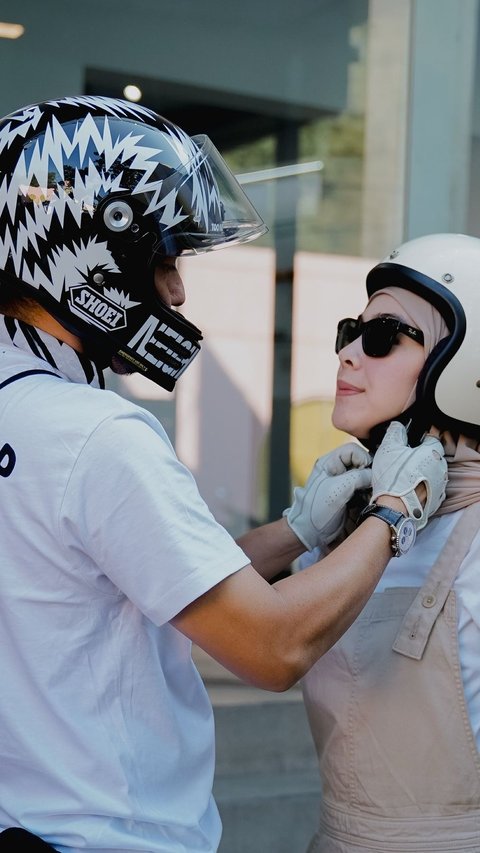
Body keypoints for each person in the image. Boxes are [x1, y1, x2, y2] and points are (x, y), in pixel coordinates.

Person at [0, 96, 447, 853]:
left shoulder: (26, 414)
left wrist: (296, 531)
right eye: (163, 258)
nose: (175, 292)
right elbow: (273, 648)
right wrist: (394, 512)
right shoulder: (98, 435)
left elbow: (137, 580)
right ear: (87, 252)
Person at [300, 232, 480, 853]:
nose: (348, 353)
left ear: (464, 363)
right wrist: (300, 532)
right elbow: (247, 628)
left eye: (380, 337)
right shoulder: (354, 519)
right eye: (351, 331)